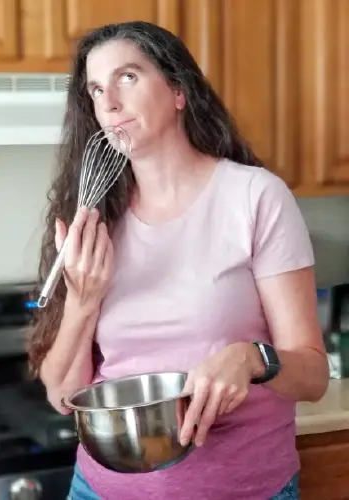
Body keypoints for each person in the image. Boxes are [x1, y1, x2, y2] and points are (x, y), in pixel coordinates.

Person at [28, 21, 329, 500]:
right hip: (100, 491)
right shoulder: (95, 218)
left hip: (241, 489)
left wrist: (253, 358)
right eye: (96, 89)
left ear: (178, 92)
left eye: (128, 77)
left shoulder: (254, 198)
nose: (109, 102)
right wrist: (84, 301)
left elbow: (312, 377)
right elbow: (62, 395)